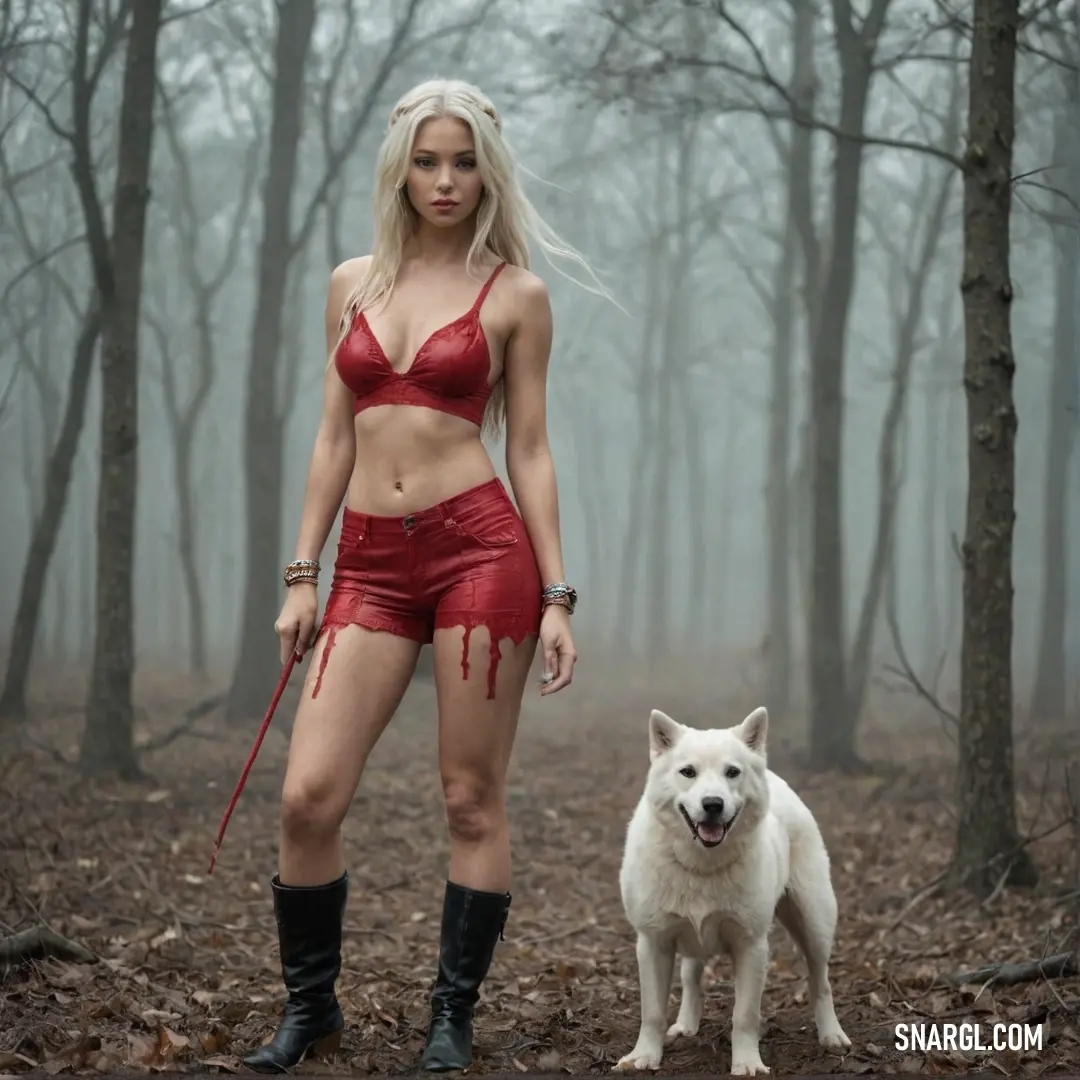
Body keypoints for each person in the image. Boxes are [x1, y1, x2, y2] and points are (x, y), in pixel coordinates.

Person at [242, 77, 603, 1074]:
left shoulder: (516, 294)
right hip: (368, 564)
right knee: (307, 796)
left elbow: (530, 450)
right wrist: (300, 573)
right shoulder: (351, 283)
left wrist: (560, 595)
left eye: (463, 160)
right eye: (427, 161)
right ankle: (311, 1010)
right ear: (400, 170)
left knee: (469, 797)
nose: (444, 180)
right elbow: (330, 437)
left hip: (482, 556)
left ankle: (451, 1018)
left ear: (488, 171)